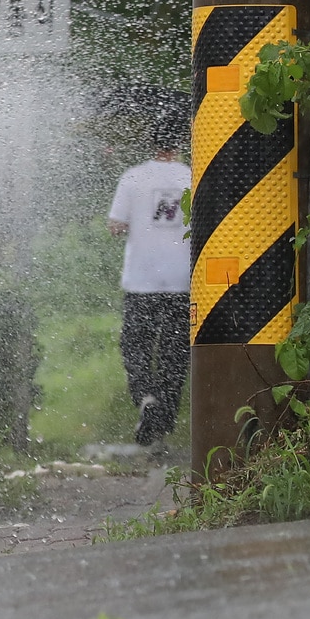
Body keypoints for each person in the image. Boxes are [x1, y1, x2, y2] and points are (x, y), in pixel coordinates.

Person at [108, 117, 191, 446]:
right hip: (182, 280)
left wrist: (136, 226)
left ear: (152, 144)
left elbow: (116, 226)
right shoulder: (192, 177)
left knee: (136, 345)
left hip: (142, 280)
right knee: (174, 352)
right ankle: (162, 421)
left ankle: (145, 397)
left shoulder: (133, 177)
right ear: (180, 144)